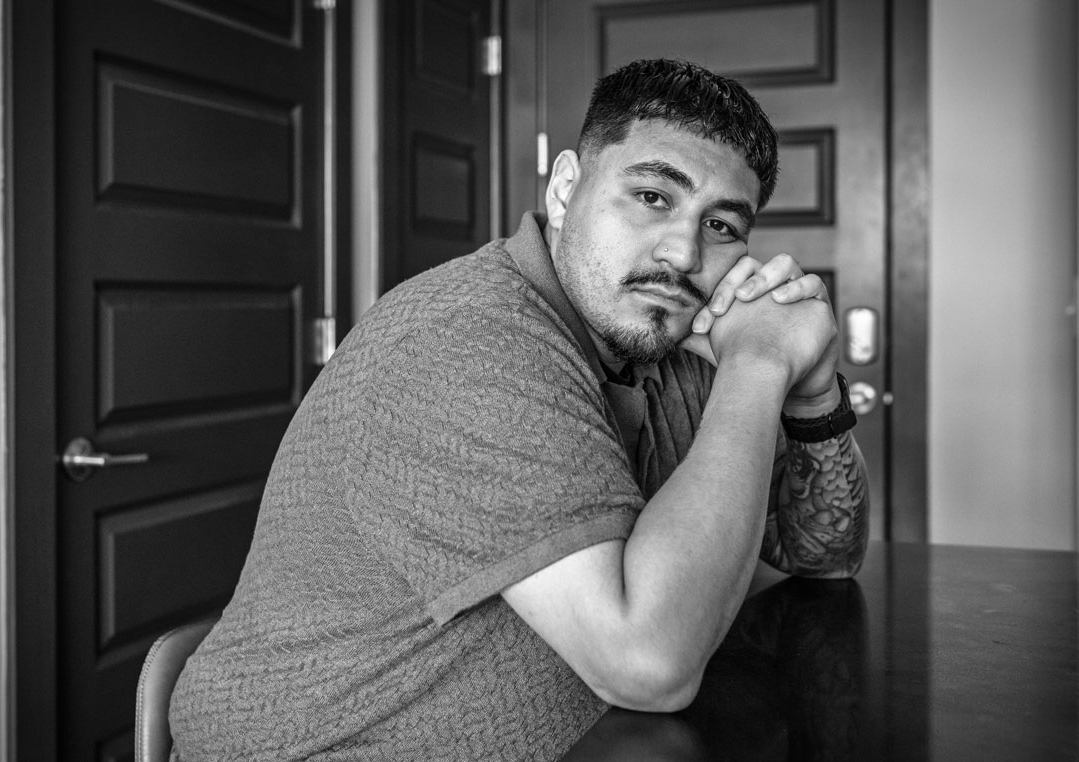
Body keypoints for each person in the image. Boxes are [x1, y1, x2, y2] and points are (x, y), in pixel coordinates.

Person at [169, 58, 869, 762]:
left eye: (721, 225)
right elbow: (647, 665)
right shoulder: (466, 340)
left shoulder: (670, 346)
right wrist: (759, 365)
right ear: (566, 189)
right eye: (653, 196)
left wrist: (812, 392)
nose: (683, 253)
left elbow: (824, 555)